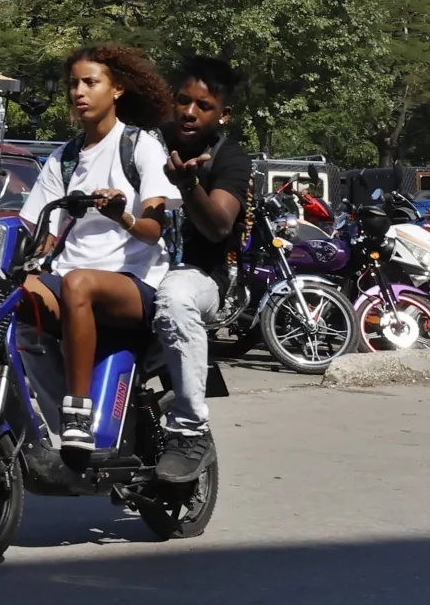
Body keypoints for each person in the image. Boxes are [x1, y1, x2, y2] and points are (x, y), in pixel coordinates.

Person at [17, 47, 180, 453]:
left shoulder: (139, 145)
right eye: (74, 83)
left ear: (118, 89)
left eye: (91, 82)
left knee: (77, 283)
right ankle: (59, 419)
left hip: (134, 283)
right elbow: (41, 232)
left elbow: (152, 230)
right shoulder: (63, 159)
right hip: (72, 280)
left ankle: (77, 410)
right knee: (17, 304)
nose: (79, 92)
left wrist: (121, 215)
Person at [151, 56, 254, 483]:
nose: (189, 112)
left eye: (203, 106)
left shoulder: (230, 158)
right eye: (182, 101)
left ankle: (189, 430)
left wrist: (188, 184)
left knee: (174, 297)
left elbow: (218, 228)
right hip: (136, 271)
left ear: (223, 114)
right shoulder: (144, 143)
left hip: (201, 279)